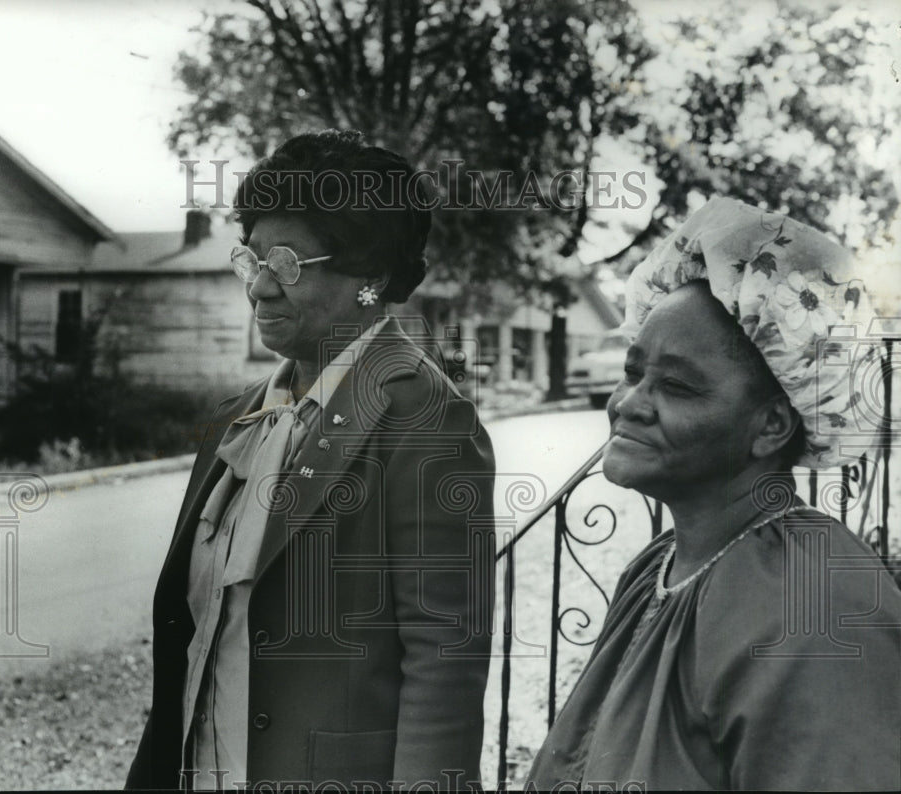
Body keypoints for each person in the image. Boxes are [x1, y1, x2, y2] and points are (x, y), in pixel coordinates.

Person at [127, 130, 496, 791]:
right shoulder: (238, 416)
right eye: (253, 261)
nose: (260, 289)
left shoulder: (425, 419)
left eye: (290, 265)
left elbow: (443, 669)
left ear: (370, 278)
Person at [527, 197, 901, 791]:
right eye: (632, 372)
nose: (628, 404)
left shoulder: (819, 614)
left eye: (676, 385)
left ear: (772, 426)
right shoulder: (660, 566)